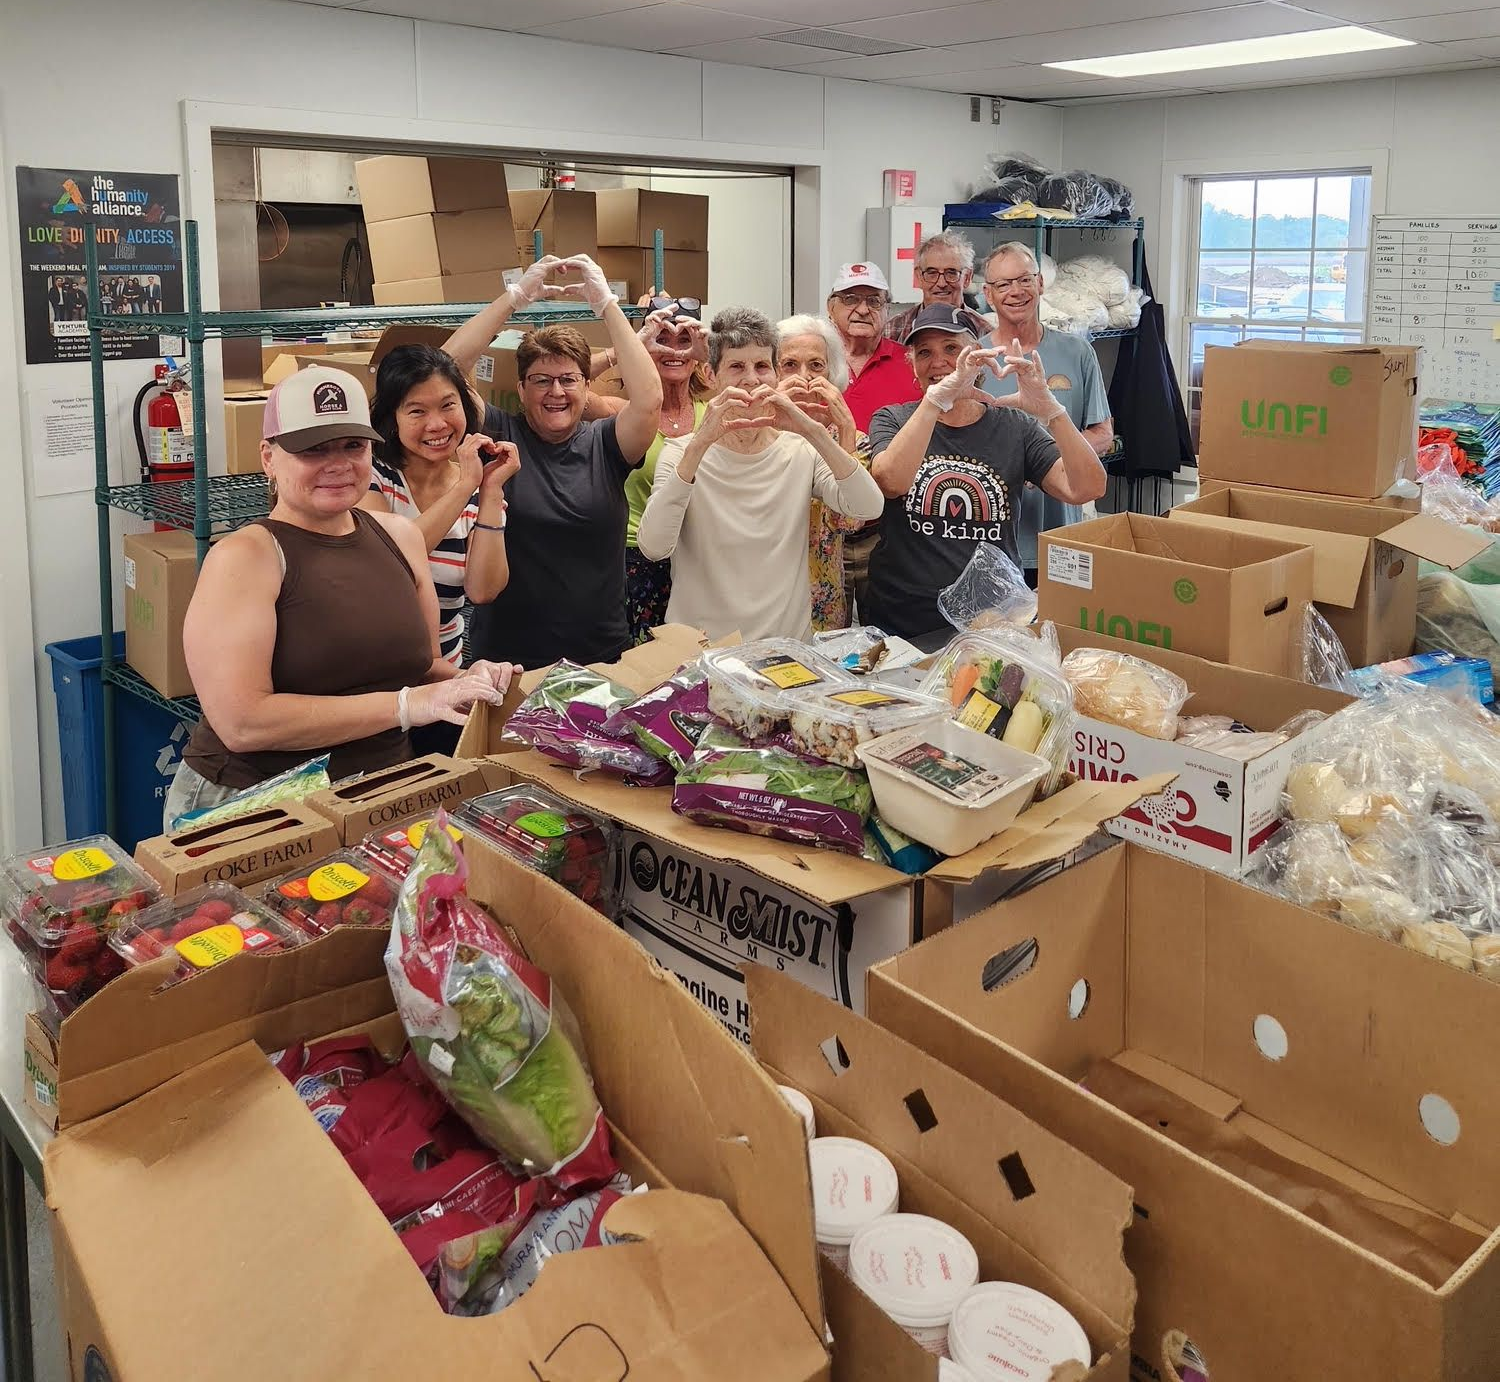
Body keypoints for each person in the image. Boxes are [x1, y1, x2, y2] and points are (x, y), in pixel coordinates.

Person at [169, 367, 517, 825]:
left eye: (353, 445)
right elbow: (242, 722)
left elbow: (421, 666)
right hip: (256, 803)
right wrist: (406, 704)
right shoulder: (246, 557)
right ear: (269, 458)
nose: (338, 463)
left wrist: (467, 682)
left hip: (380, 791)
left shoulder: (400, 538)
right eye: (314, 449)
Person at [443, 254, 663, 669]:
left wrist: (606, 304)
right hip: (507, 661)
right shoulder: (498, 435)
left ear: (585, 385)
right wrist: (514, 297)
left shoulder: (607, 444)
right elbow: (446, 368)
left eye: (568, 379)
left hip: (600, 657)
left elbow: (649, 399)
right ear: (522, 390)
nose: (556, 392)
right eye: (541, 380)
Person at [864, 305, 1108, 648]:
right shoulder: (893, 418)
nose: (938, 362)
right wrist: (934, 403)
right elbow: (891, 481)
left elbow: (1086, 487)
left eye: (951, 349)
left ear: (977, 357)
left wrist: (1052, 411)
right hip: (903, 619)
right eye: (924, 353)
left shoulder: (1015, 427)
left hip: (991, 621)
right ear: (914, 367)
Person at [638, 308, 884, 642]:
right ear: (711, 375)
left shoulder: (800, 449)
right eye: (737, 366)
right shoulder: (681, 452)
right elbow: (654, 546)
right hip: (702, 648)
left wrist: (812, 430)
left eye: (762, 366)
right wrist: (701, 443)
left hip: (786, 650)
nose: (752, 379)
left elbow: (867, 505)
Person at [361, 343, 518, 674]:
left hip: (447, 671)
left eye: (449, 405)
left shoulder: (479, 485)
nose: (437, 425)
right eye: (417, 411)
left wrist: (489, 492)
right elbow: (388, 562)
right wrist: (464, 488)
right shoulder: (370, 475)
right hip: (374, 677)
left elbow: (483, 590)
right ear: (392, 419)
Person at [980, 242, 1115, 581]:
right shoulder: (975, 357)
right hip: (992, 541)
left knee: (1058, 629)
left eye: (1024, 280)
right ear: (988, 294)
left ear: (1040, 284)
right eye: (1003, 285)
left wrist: (1044, 463)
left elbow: (1102, 433)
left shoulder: (1077, 352)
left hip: (1060, 536)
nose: (1016, 292)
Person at [582, 296, 712, 643]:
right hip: (633, 563)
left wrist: (711, 352)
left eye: (684, 340)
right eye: (662, 340)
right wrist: (629, 347)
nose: (673, 351)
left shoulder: (714, 412)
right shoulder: (623, 413)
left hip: (697, 561)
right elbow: (571, 387)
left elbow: (757, 385)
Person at [775, 312, 868, 633]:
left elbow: (850, 521)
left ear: (833, 374)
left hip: (820, 602)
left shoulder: (854, 442)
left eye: (816, 365)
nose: (804, 377)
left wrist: (844, 428)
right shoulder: (754, 437)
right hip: (760, 594)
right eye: (789, 365)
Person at [826, 262, 921, 433]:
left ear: (888, 310)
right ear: (831, 308)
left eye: (874, 301)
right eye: (851, 299)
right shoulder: (812, 361)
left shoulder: (915, 364)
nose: (863, 310)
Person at [884, 231, 990, 345]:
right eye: (932, 273)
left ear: (967, 277)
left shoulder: (986, 333)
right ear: (918, 276)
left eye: (951, 273)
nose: (941, 283)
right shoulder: (892, 330)